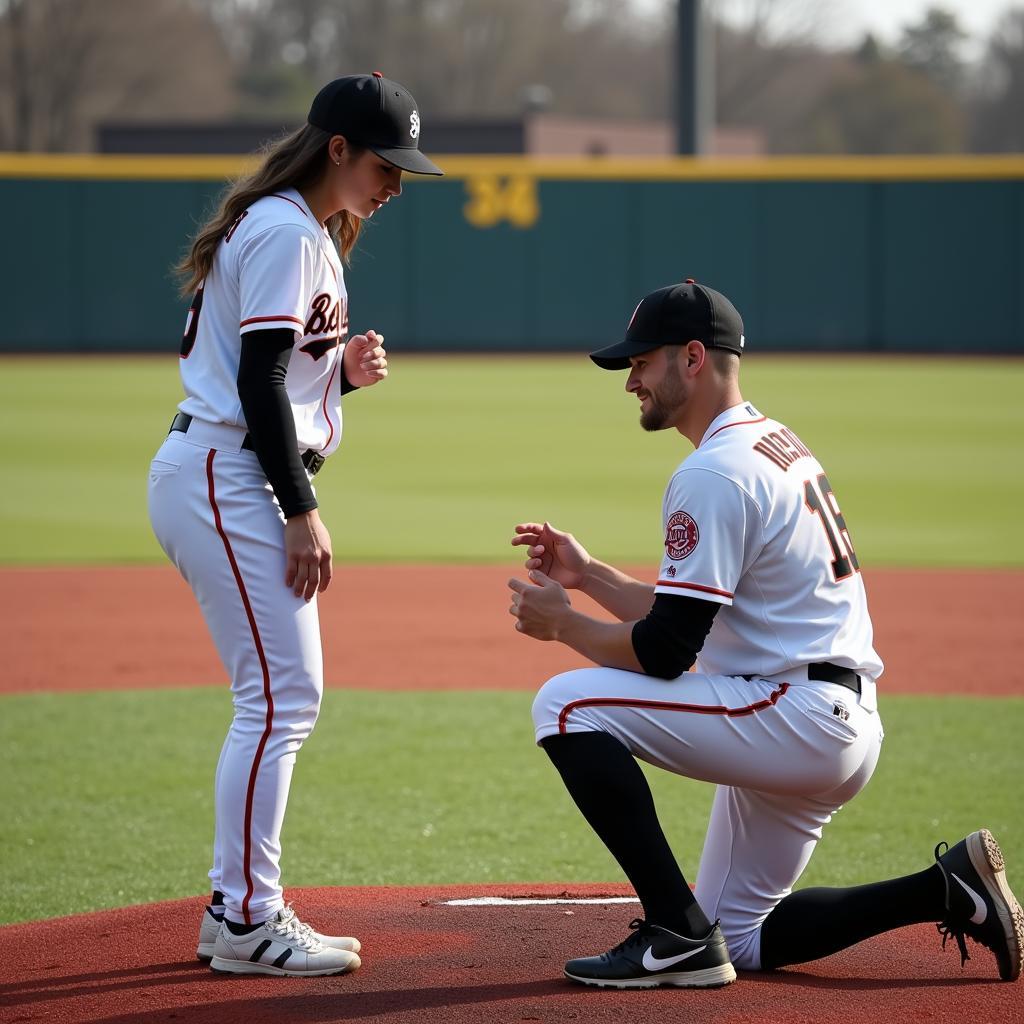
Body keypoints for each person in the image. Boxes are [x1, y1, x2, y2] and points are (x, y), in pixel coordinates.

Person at [508, 279, 1022, 989]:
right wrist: (590, 575)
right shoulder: (771, 444)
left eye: (640, 361)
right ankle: (944, 888)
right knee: (742, 940)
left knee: (564, 706)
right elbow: (696, 609)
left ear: (693, 357)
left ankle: (673, 932)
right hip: (831, 717)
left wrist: (566, 626)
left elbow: (664, 653)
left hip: (795, 715)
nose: (630, 380)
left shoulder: (715, 471)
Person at [147, 73, 442, 978]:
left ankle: (237, 910)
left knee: (282, 699)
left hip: (231, 466)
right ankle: (244, 918)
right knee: (278, 699)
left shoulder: (295, 227)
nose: (396, 182)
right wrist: (302, 510)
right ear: (339, 149)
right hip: (231, 472)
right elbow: (256, 382)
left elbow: (276, 368)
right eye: (386, 162)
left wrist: (338, 374)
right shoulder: (284, 229)